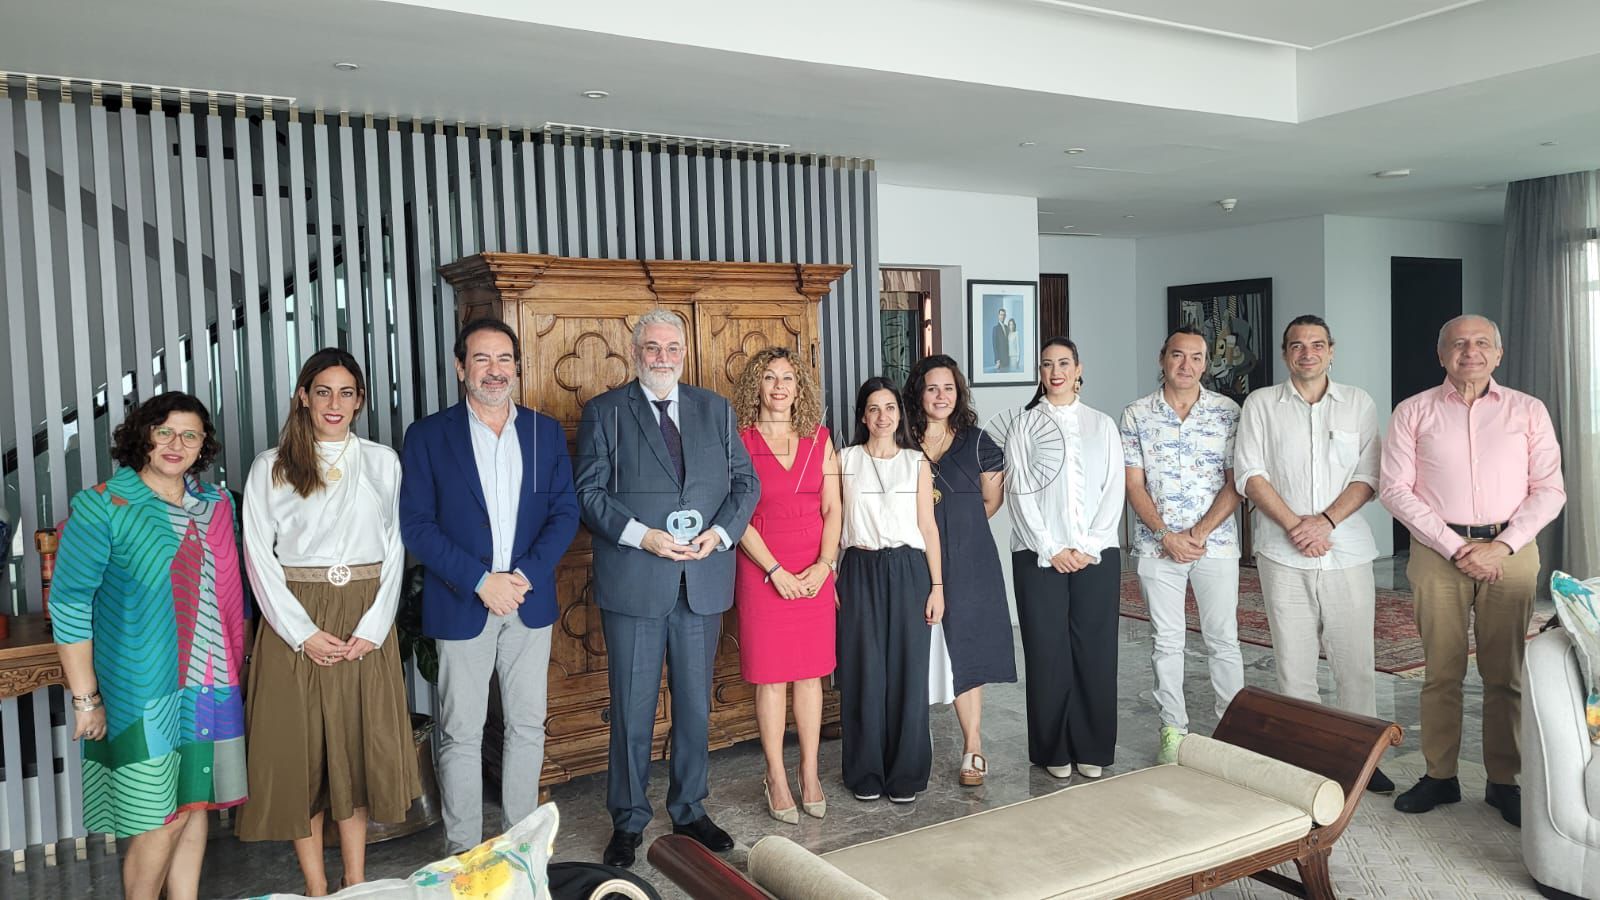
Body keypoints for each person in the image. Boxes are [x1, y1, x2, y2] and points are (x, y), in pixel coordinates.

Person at [575, 309, 759, 868]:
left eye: (671, 348)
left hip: (700, 580)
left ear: (683, 353)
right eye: (652, 347)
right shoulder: (606, 411)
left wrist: (720, 535)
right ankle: (628, 819)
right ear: (636, 352)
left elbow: (745, 483)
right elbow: (589, 493)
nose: (662, 357)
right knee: (632, 710)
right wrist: (644, 536)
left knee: (696, 706)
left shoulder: (715, 409)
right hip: (637, 580)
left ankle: (689, 808)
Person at [236, 348, 421, 893]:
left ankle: (355, 880)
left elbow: (396, 548)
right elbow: (258, 558)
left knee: (355, 751)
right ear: (303, 397)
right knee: (305, 758)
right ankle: (317, 887)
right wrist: (302, 633)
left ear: (360, 400)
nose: (333, 403)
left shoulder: (384, 462)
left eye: (345, 392)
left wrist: (374, 628)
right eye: (322, 392)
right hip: (295, 619)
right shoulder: (271, 466)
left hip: (364, 616)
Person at [51, 392, 247, 900]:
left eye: (190, 435)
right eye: (164, 432)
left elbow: (228, 595)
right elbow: (69, 604)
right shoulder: (103, 505)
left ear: (203, 445)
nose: (176, 444)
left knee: (195, 805)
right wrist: (86, 698)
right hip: (143, 691)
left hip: (212, 682)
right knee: (160, 817)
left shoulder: (217, 506)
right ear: (143, 436)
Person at [399, 319, 580, 853]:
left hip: (528, 600)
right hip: (463, 601)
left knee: (527, 726)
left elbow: (564, 513)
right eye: (481, 359)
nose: (494, 370)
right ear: (461, 368)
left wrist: (521, 577)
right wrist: (481, 581)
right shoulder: (428, 436)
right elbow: (417, 526)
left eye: (504, 359)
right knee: (461, 732)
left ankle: (520, 849)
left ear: (517, 368)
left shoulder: (544, 432)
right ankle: (465, 853)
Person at [1380, 313, 1565, 826]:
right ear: (1442, 354)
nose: (1470, 352)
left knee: (1505, 674)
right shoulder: (1413, 411)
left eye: (1482, 343)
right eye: (1458, 344)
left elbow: (1550, 490)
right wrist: (1454, 546)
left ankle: (1505, 781)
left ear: (1498, 354)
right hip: (1436, 551)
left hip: (1511, 549)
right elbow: (1394, 489)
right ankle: (1440, 775)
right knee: (1441, 671)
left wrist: (1501, 546)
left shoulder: (1528, 410)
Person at [1233, 316, 1393, 794]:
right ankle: (1304, 756)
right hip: (1282, 553)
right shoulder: (1261, 404)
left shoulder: (1358, 402)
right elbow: (1250, 474)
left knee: (1355, 662)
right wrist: (1295, 527)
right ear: (1285, 353)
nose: (1308, 353)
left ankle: (1362, 758)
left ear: (1331, 350)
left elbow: (1369, 476)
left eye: (1317, 344)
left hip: (1346, 550)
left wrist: (1323, 522)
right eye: (1298, 345)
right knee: (1294, 662)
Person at [1121, 325, 1244, 765]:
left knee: (1223, 639)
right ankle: (1173, 730)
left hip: (1217, 544)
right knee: (1167, 641)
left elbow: (1236, 481)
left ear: (1206, 363)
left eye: (1196, 357)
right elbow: (1133, 485)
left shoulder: (1228, 412)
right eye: (1177, 355)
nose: (1186, 365)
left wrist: (1200, 533)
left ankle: (1233, 731)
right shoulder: (1137, 414)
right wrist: (1165, 535)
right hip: (1157, 547)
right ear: (1162, 358)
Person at [1006, 338, 1125, 780]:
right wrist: (1050, 547)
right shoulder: (1024, 425)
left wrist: (1089, 545)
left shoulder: (1101, 425)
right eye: (1046, 364)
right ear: (1039, 372)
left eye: (1063, 363)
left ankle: (1092, 746)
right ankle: (1052, 749)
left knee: (1095, 651)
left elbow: (1114, 488)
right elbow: (1018, 491)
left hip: (1096, 555)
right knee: (1047, 651)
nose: (1055, 372)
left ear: (1078, 369)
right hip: (1038, 557)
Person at [731, 347, 841, 824]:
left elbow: (833, 508)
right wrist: (774, 570)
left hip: (814, 570)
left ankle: (809, 772)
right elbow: (735, 515)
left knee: (811, 676)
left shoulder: (820, 439)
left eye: (788, 378)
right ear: (756, 386)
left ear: (800, 389)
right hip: (762, 571)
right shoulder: (739, 441)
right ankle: (775, 775)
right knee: (772, 678)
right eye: (770, 377)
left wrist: (825, 565)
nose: (779, 387)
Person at [904, 354, 1015, 787]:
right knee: (912, 648)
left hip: (969, 558)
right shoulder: (902, 439)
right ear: (918, 393)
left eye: (948, 388)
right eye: (932, 388)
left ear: (959, 393)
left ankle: (973, 744)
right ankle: (909, 746)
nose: (941, 396)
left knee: (967, 646)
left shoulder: (978, 441)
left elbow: (991, 500)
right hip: (911, 559)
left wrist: (955, 530)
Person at [836, 377, 944, 803]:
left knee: (907, 671)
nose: (883, 416)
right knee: (862, 671)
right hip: (858, 568)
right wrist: (831, 575)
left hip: (908, 569)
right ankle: (864, 770)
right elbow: (832, 521)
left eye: (890, 408)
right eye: (874, 409)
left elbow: (928, 527)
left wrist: (937, 586)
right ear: (863, 417)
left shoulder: (916, 462)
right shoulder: (844, 460)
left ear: (900, 414)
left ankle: (906, 772)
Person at [991, 308, 1014, 372]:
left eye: (1004, 315)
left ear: (1005, 316)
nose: (1002, 316)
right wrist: (997, 359)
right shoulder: (995, 329)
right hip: (1000, 360)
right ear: (998, 316)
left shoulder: (1007, 328)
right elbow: (994, 345)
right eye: (1001, 315)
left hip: (1008, 359)